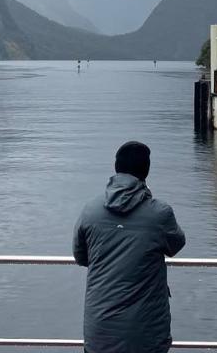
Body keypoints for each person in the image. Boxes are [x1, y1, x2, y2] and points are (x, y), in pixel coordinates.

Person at [73, 141, 186, 353]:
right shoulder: (159, 213)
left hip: (100, 330)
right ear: (146, 170)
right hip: (146, 332)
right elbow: (176, 244)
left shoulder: (90, 210)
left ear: (116, 168)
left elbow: (80, 256)